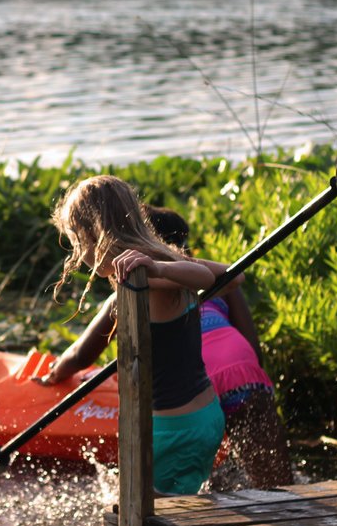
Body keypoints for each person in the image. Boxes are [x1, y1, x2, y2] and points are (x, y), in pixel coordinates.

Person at [37, 174, 224, 496]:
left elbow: (206, 276)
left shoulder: (146, 279)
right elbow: (231, 276)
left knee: (148, 523)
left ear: (90, 235)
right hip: (204, 416)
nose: (80, 257)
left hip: (171, 430)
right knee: (179, 507)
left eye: (77, 243)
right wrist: (167, 261)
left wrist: (53, 376)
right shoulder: (163, 267)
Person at [145, 205, 292, 488]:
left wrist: (57, 372)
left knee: (202, 484)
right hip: (242, 373)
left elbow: (81, 353)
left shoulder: (138, 281)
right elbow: (251, 342)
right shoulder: (211, 276)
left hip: (194, 390)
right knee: (276, 483)